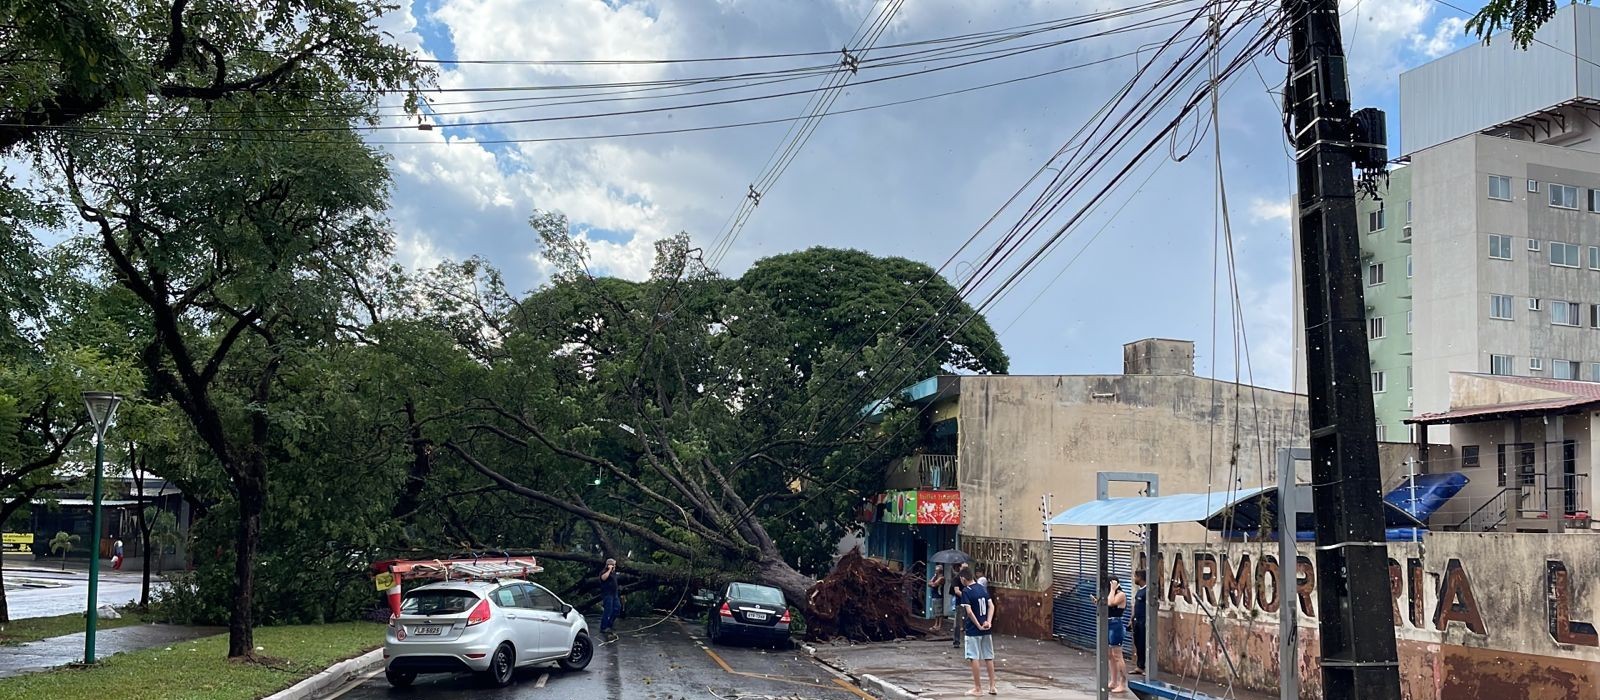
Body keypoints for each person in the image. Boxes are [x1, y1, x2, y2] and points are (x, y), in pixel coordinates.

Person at [958, 573, 998, 696]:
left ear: (963, 578)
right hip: (987, 628)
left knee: (973, 657)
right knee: (988, 656)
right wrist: (988, 622)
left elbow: (969, 612)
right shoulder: (981, 588)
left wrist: (978, 625)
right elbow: (991, 606)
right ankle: (992, 686)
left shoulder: (966, 591)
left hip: (973, 629)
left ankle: (978, 688)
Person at [1092, 575, 1130, 694]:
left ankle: (1123, 683)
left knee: (1117, 654)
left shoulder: (1120, 594)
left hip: (1115, 624)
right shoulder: (1110, 594)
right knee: (1110, 655)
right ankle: (1113, 680)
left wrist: (1113, 589)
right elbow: (1105, 605)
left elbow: (1110, 602)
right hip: (1106, 623)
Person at [599, 558, 622, 641]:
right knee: (608, 611)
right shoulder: (604, 572)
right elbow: (603, 578)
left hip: (614, 594)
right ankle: (603, 627)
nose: (615, 566)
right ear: (609, 565)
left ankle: (609, 625)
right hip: (607, 594)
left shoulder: (614, 573)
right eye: (613, 565)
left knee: (617, 608)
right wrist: (609, 569)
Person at [1131, 569, 1148, 675]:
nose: (1134, 579)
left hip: (1144, 621)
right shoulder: (1139, 591)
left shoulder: (1147, 591)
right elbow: (1136, 606)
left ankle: (1147, 667)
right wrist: (1131, 619)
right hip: (1137, 621)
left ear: (1140, 578)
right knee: (1138, 644)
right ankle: (1140, 666)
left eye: (1135, 577)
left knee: (1144, 643)